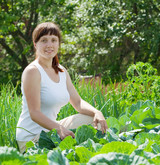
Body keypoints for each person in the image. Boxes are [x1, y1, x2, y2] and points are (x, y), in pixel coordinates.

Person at [16, 22, 108, 153]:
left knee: (95, 121)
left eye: (54, 40)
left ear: (58, 44)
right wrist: (59, 128)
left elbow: (78, 102)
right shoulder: (33, 71)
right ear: (35, 44)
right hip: (31, 139)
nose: (49, 45)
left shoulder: (61, 71)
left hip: (51, 131)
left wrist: (96, 112)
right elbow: (34, 113)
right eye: (44, 40)